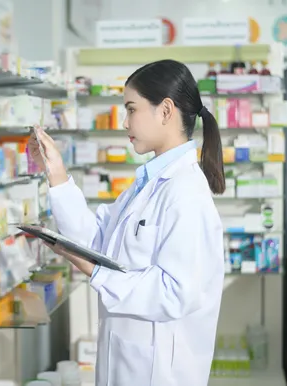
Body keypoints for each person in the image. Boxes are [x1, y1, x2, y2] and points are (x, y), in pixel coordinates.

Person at [28, 59, 225, 386]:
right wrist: (57, 175)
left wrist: (94, 270)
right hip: (128, 363)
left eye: (131, 109)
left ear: (165, 111)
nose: (124, 122)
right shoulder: (147, 184)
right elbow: (97, 239)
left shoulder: (186, 192)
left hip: (160, 372)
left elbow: (174, 293)